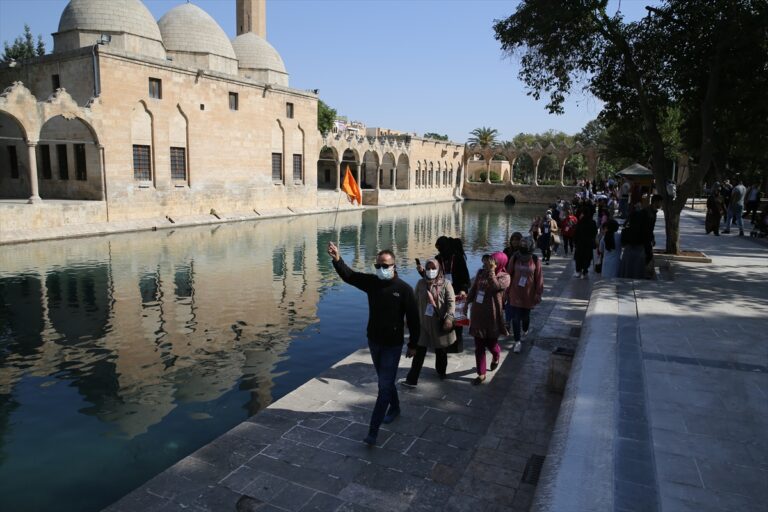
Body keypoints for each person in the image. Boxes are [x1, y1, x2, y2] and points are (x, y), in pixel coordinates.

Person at [327, 242, 420, 446]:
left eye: (385, 266)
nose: (381, 270)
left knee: (384, 386)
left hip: (393, 345)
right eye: (378, 266)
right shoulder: (372, 283)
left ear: (394, 266)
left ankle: (373, 431)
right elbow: (350, 276)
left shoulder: (404, 289)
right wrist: (337, 259)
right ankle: (395, 407)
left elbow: (414, 319)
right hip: (374, 341)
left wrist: (413, 344)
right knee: (385, 380)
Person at [402, 259, 456, 386]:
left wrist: (449, 318)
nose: (431, 271)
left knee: (441, 351)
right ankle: (412, 379)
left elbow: (451, 302)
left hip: (439, 323)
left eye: (433, 268)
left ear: (438, 269)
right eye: (428, 268)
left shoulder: (446, 284)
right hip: (423, 323)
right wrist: (407, 319)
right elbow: (413, 302)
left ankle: (441, 371)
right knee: (419, 351)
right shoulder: (421, 284)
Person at [466, 252, 510, 385]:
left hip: (493, 315)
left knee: (491, 344)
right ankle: (481, 373)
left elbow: (496, 287)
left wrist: (491, 272)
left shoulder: (505, 276)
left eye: (492, 262)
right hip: (478, 313)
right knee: (479, 345)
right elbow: (474, 289)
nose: (487, 264)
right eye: (488, 262)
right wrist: (467, 302)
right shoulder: (481, 273)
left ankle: (496, 355)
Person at [431, 236, 470, 353]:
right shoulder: (438, 259)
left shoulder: (457, 258)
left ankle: (457, 345)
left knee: (457, 319)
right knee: (444, 317)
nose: (439, 251)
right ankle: (446, 343)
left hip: (457, 290)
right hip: (442, 291)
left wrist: (463, 289)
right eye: (438, 249)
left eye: (440, 248)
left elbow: (465, 277)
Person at [506, 239, 543, 354]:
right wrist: (506, 291)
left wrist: (538, 293)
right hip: (515, 292)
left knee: (525, 317)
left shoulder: (535, 260)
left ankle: (525, 329)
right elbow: (508, 273)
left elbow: (539, 278)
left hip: (528, 294)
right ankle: (517, 341)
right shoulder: (515, 258)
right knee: (516, 318)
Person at [573, 207, 598, 279]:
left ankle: (578, 270)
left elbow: (576, 233)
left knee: (579, 257)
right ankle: (585, 270)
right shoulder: (592, 222)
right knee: (587, 257)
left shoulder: (580, 222)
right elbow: (595, 232)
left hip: (580, 243)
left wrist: (575, 241)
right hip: (588, 243)